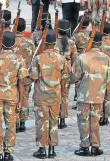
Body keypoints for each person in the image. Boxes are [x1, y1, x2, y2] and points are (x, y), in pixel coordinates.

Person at [71, 32, 110, 157]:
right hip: (99, 95)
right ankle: (95, 146)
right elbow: (109, 80)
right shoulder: (106, 59)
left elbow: (74, 77)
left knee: (83, 121)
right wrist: (108, 97)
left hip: (84, 94)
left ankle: (84, 146)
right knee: (95, 121)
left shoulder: (82, 57)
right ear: (100, 43)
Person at [30, 30, 68, 159]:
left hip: (42, 96)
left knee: (41, 122)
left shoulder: (38, 58)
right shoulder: (61, 58)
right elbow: (65, 78)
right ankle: (52, 148)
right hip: (55, 95)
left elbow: (34, 77)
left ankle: (42, 148)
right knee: (53, 122)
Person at [0, 31, 28, 161]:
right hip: (12, 95)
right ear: (13, 44)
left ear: (2, 43)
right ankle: (8, 151)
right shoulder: (19, 60)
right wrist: (20, 100)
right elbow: (22, 82)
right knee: (11, 124)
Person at [12, 18, 35, 133]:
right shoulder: (30, 42)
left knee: (15, 98)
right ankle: (23, 122)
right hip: (26, 74)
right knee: (25, 97)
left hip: (13, 75)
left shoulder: (11, 41)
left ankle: (15, 121)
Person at [55, 19, 77, 129]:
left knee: (55, 94)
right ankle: (62, 119)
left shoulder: (53, 42)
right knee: (64, 95)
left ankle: (54, 116)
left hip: (55, 70)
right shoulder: (71, 43)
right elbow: (75, 60)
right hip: (67, 70)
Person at [70, 15, 90, 108]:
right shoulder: (90, 34)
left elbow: (72, 48)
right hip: (88, 58)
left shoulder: (76, 35)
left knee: (78, 80)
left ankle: (78, 98)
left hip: (78, 58)